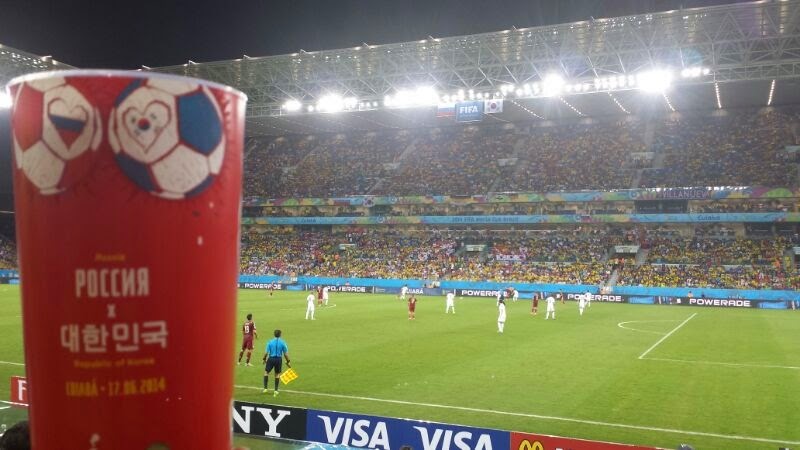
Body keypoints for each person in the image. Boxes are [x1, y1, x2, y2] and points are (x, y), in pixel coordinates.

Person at [262, 329, 291, 397]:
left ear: (274, 334)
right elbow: (286, 354)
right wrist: (288, 361)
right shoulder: (283, 343)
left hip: (271, 359)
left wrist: (264, 359)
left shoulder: (270, 342)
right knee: (277, 374)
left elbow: (266, 352)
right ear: (280, 335)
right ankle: (276, 390)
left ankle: (265, 388)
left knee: (266, 373)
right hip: (278, 359)